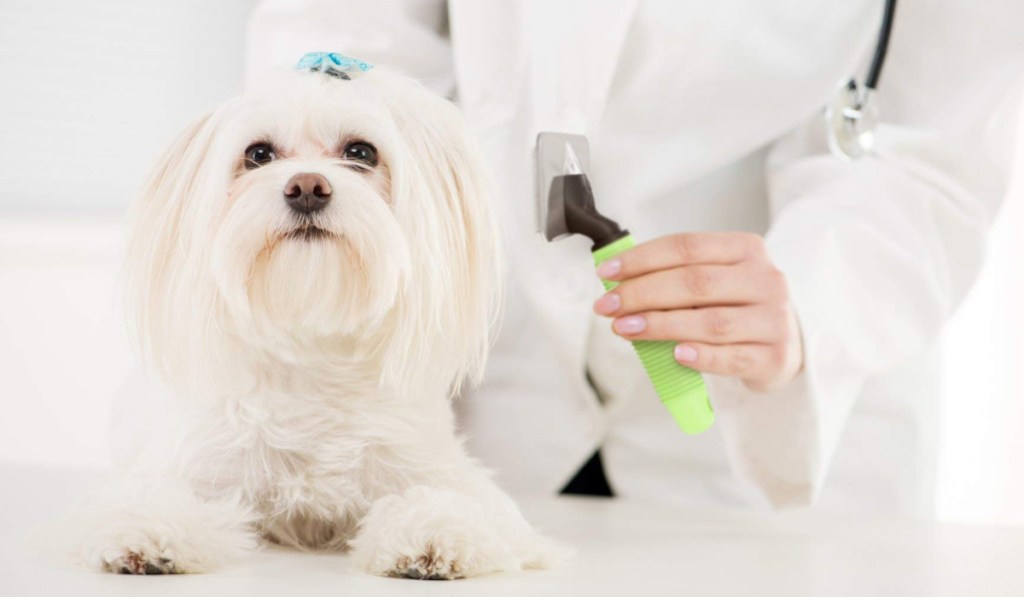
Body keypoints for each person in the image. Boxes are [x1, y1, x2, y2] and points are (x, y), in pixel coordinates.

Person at [247, 0, 1024, 516]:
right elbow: (344, 49)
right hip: (483, 390)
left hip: (762, 438)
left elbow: (926, 148)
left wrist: (810, 307)